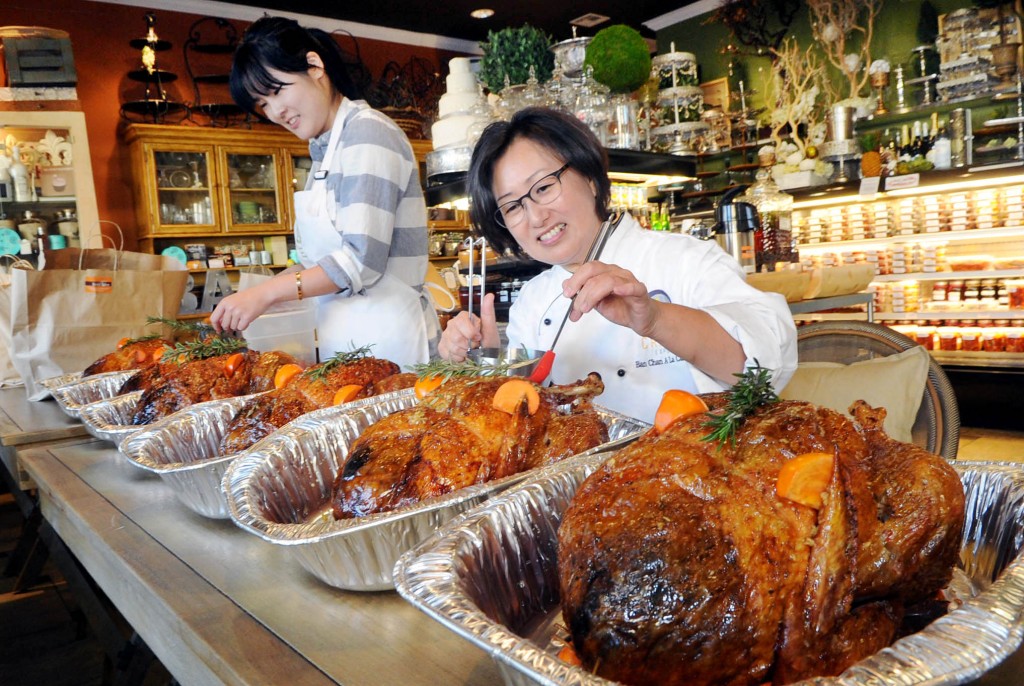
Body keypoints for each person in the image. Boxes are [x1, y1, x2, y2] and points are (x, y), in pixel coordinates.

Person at [438, 107, 797, 420]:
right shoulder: (532, 302)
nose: (535, 217)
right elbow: (526, 413)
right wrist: (489, 366)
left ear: (590, 178)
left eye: (544, 187)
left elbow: (761, 368)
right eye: (513, 206)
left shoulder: (684, 259)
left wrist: (654, 319)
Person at [210, 16, 439, 369]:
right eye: (263, 105)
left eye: (277, 91)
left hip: (394, 342)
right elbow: (318, 265)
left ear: (314, 66)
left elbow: (360, 262)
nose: (276, 112)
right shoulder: (324, 154)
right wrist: (254, 298)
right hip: (347, 345)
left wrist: (267, 293)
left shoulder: (368, 133)